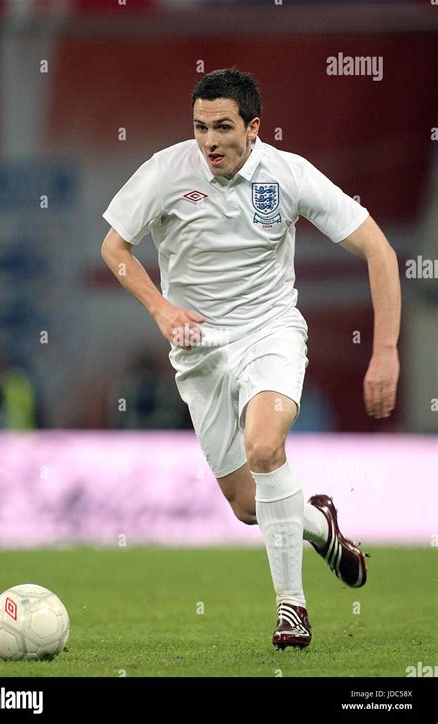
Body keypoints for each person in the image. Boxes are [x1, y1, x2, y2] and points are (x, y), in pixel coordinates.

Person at [101, 68, 401, 650]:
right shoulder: (166, 172)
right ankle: (319, 527)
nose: (208, 141)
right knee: (246, 505)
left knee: (266, 447)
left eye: (222, 128)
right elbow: (114, 247)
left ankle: (292, 608)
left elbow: (379, 250)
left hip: (270, 331)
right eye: (199, 128)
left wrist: (384, 350)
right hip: (198, 352)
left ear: (254, 128)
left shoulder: (288, 176)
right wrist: (162, 311)